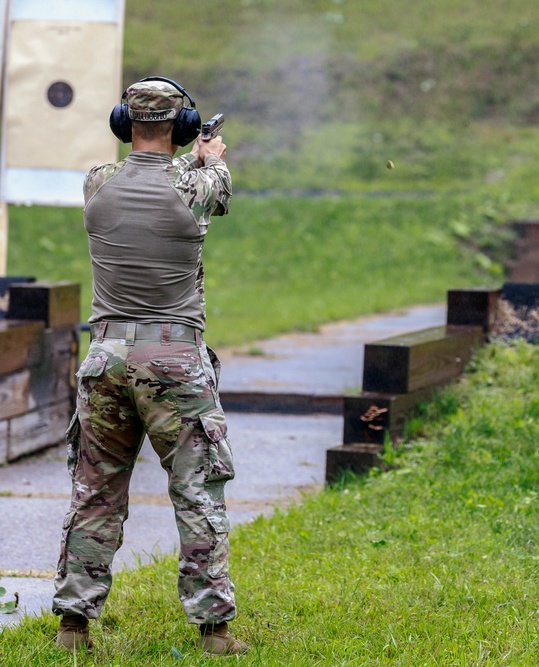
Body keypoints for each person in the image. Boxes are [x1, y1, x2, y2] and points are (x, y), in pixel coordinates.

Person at [52, 77, 246, 656]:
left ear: (122, 121)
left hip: (105, 357)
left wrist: (188, 155)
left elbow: (146, 177)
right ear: (185, 127)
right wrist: (205, 154)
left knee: (95, 491)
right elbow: (209, 183)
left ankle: (72, 626)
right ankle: (214, 633)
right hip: (173, 360)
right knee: (197, 491)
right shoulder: (198, 184)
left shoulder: (97, 182)